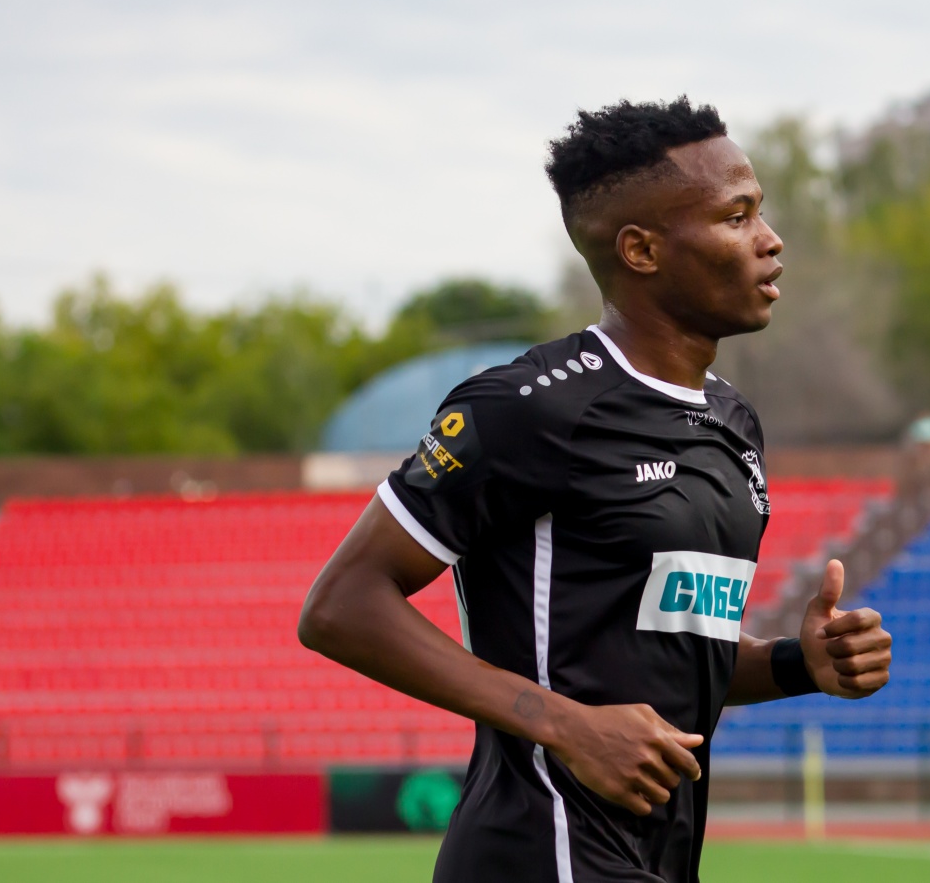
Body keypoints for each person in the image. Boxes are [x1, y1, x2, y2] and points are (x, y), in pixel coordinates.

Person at [299, 97, 893, 883]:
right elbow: (340, 605)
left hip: (658, 857)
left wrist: (796, 664)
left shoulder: (733, 423)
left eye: (760, 212)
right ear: (641, 250)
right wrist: (565, 726)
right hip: (541, 850)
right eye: (737, 216)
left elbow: (665, 665)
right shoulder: (530, 407)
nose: (770, 239)